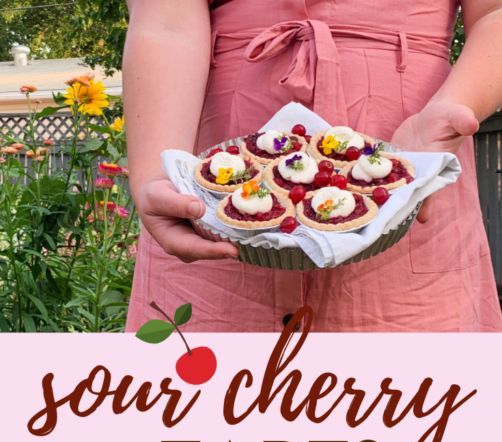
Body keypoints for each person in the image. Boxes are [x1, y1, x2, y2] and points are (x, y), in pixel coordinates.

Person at [124, 0, 502, 332]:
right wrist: (159, 173)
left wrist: (455, 103)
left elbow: (494, 14)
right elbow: (167, 22)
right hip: (217, 185)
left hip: (406, 164)